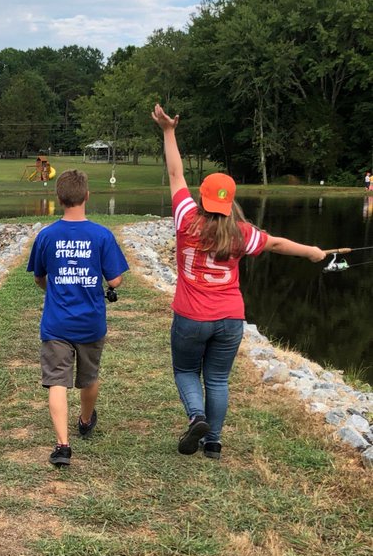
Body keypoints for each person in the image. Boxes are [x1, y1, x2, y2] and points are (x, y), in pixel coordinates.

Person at [152, 105, 327, 460]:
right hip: (230, 318)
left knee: (186, 369)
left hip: (190, 317)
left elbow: (174, 172)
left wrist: (169, 132)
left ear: (202, 198)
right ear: (230, 202)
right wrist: (311, 251)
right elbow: (276, 243)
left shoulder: (186, 218)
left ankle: (196, 417)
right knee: (217, 379)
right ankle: (213, 442)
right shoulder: (241, 233)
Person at [27, 169, 129, 466]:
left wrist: (54, 287)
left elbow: (39, 277)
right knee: (90, 376)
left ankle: (62, 445)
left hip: (56, 322)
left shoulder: (46, 236)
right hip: (91, 322)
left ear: (58, 198)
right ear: (87, 196)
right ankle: (85, 420)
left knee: (57, 381)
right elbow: (116, 279)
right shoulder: (101, 235)